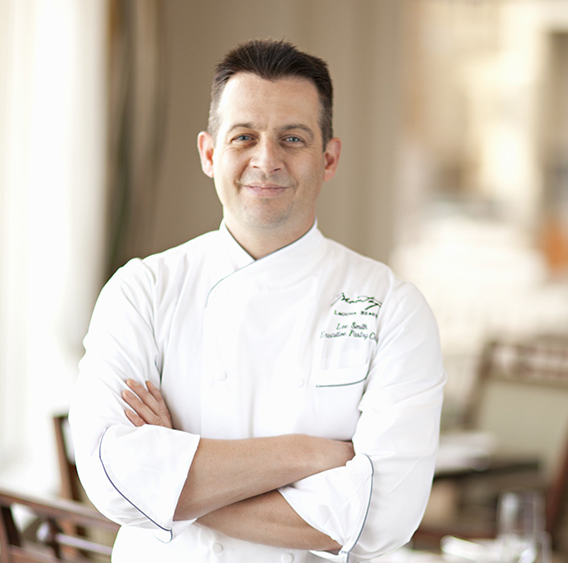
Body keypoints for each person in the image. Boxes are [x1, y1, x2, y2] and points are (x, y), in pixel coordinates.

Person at [69, 39, 446, 563]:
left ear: (329, 158)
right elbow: (110, 478)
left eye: (293, 138)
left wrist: (169, 477)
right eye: (244, 136)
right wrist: (307, 455)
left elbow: (383, 516)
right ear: (209, 153)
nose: (266, 160)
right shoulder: (142, 290)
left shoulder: (393, 309)